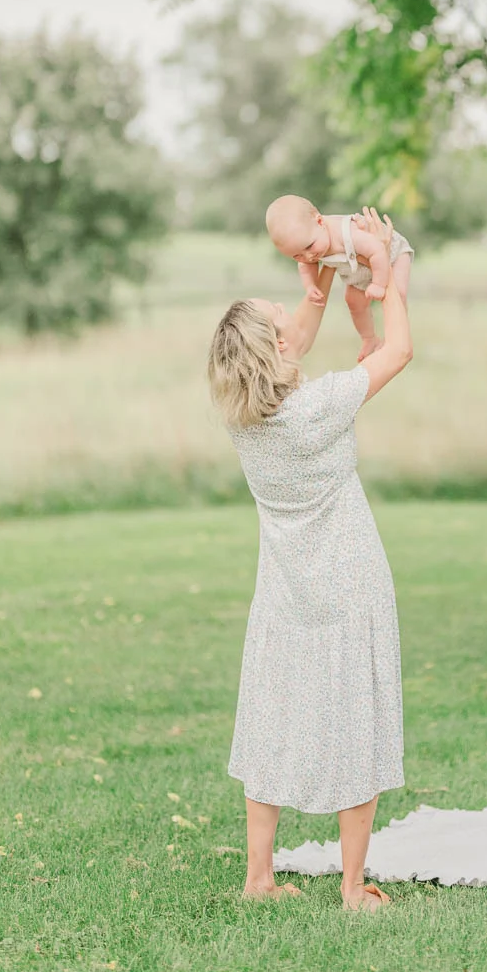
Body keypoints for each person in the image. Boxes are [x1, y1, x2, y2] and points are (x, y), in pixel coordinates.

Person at [209, 208, 413, 912]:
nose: (289, 318)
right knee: (356, 723)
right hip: (350, 585)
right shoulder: (322, 405)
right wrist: (390, 280)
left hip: (285, 595)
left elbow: (282, 346)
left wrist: (318, 296)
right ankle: (354, 888)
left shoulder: (241, 419)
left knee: (273, 719)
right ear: (277, 348)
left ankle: (258, 879)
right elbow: (397, 353)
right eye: (280, 316)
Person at [265, 194, 414, 360]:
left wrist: (379, 284)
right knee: (353, 301)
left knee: (398, 294)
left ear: (320, 221)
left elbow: (377, 250)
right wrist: (310, 286)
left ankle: (397, 336)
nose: (308, 257)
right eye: (297, 255)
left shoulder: (347, 233)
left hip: (392, 255)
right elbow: (306, 266)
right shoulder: (310, 242)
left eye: (309, 246)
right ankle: (369, 338)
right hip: (359, 270)